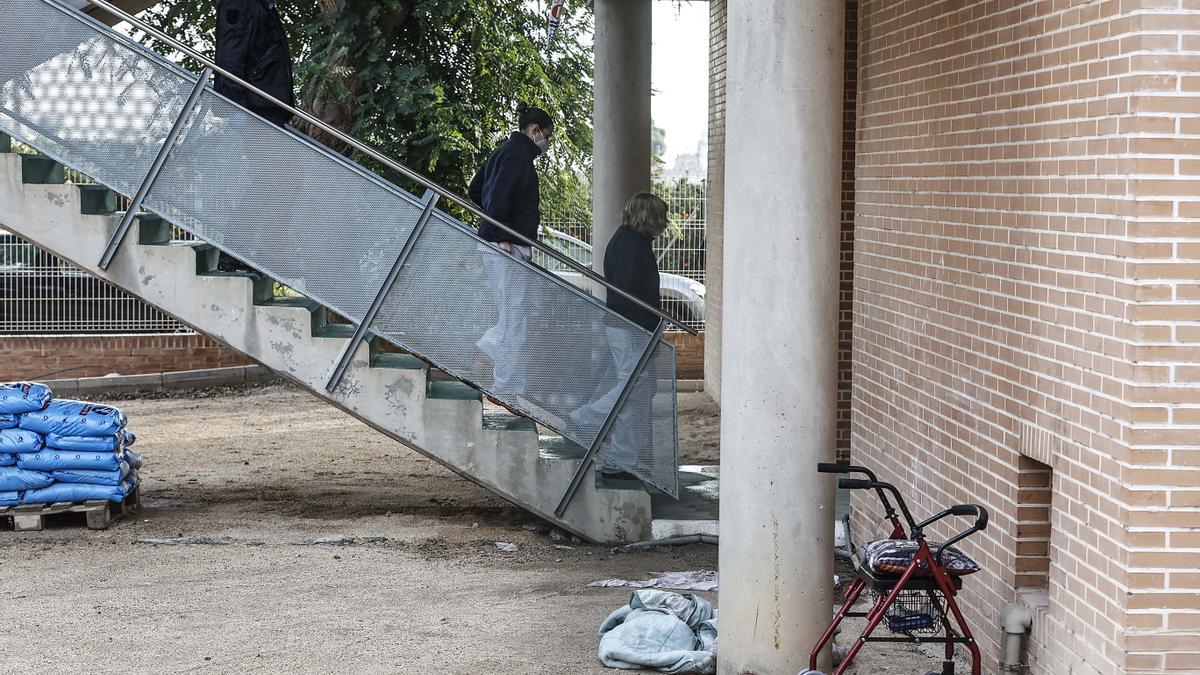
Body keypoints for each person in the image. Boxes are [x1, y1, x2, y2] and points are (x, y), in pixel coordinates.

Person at [575, 193, 670, 481]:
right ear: (648, 217)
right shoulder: (630, 246)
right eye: (661, 216)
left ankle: (621, 457)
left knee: (633, 391)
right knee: (630, 389)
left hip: (628, 326)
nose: (665, 222)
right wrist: (648, 323)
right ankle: (588, 418)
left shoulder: (630, 241)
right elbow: (632, 294)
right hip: (630, 326)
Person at [468, 103, 553, 398]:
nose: (546, 143)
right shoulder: (519, 156)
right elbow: (498, 195)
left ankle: (507, 384)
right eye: (546, 136)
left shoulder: (502, 151)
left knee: (511, 316)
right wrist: (503, 233)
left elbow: (475, 189)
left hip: (499, 244)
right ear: (535, 130)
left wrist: (495, 225)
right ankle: (500, 379)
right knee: (513, 318)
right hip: (508, 247)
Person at [214, 0, 296, 127]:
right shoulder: (239, 3)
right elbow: (230, 55)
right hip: (254, 107)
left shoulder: (267, 8)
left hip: (269, 105)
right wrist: (234, 106)